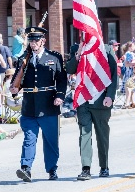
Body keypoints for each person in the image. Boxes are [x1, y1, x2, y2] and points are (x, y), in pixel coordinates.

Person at [9, 26, 67, 182]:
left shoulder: (54, 57)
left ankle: (52, 169)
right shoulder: (23, 59)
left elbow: (61, 80)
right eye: (31, 40)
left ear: (43, 41)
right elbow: (17, 81)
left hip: (49, 105)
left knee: (50, 141)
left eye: (36, 40)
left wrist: (60, 95)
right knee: (29, 138)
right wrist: (14, 89)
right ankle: (25, 168)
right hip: (29, 106)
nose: (33, 43)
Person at [73, 43, 118, 180]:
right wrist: (78, 53)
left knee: (102, 135)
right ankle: (86, 168)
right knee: (84, 134)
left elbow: (113, 74)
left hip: (100, 99)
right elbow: (70, 69)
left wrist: (110, 95)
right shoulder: (77, 48)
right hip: (83, 101)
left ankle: (104, 167)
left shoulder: (107, 49)